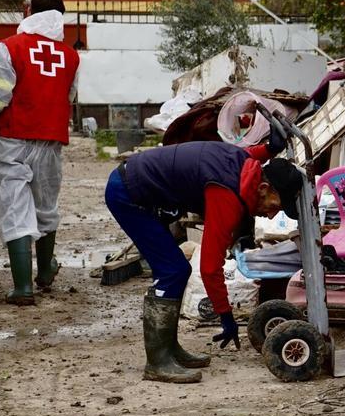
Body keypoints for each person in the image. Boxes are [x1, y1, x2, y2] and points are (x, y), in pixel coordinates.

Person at [105, 140, 304, 383]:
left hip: (133, 183)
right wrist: (226, 315)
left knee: (175, 268)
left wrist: (270, 148)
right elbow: (209, 268)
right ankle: (158, 361)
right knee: (171, 270)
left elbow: (250, 152)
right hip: (127, 195)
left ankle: (169, 349)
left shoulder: (244, 165)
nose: (272, 214)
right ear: (262, 188)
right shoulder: (227, 196)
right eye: (276, 206)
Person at [0, 0, 80, 305]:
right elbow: (68, 98)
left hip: (13, 140)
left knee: (15, 207)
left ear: (29, 12)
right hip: (51, 142)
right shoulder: (71, 56)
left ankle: (23, 288)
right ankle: (45, 272)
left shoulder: (9, 48)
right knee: (46, 206)